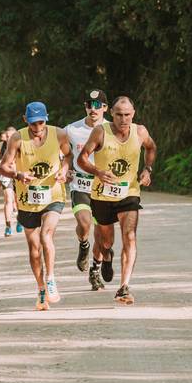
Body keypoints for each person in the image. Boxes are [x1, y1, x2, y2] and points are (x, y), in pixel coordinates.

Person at [77, 96, 156, 305]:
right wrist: (97, 172)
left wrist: (147, 169)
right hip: (102, 195)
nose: (123, 119)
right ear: (111, 113)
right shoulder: (100, 132)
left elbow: (151, 148)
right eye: (119, 115)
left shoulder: (140, 132)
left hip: (129, 193)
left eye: (127, 115)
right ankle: (106, 256)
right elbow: (81, 158)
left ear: (133, 114)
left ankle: (124, 287)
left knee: (129, 236)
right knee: (106, 242)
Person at [0, 102, 72, 310]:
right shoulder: (17, 138)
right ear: (25, 120)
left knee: (46, 235)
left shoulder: (59, 134)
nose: (37, 127)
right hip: (27, 199)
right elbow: (3, 167)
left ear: (46, 118)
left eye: (41, 122)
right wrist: (17, 174)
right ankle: (40, 289)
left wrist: (64, 169)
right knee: (34, 248)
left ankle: (50, 278)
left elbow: (69, 155)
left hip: (53, 195)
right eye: (33, 123)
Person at [63, 89, 109, 290]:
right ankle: (83, 245)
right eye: (90, 105)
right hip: (80, 184)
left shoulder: (111, 129)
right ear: (85, 107)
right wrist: (64, 168)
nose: (93, 109)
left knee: (102, 233)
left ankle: (95, 270)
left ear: (105, 108)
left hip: (103, 187)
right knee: (85, 224)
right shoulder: (72, 129)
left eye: (98, 105)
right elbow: (61, 151)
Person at [0, 126, 22, 236]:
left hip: (19, 174)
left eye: (11, 136)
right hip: (6, 175)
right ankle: (8, 226)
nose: (9, 138)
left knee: (18, 200)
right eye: (7, 136)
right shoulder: (2, 146)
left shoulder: (22, 145)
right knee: (8, 200)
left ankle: (20, 219)